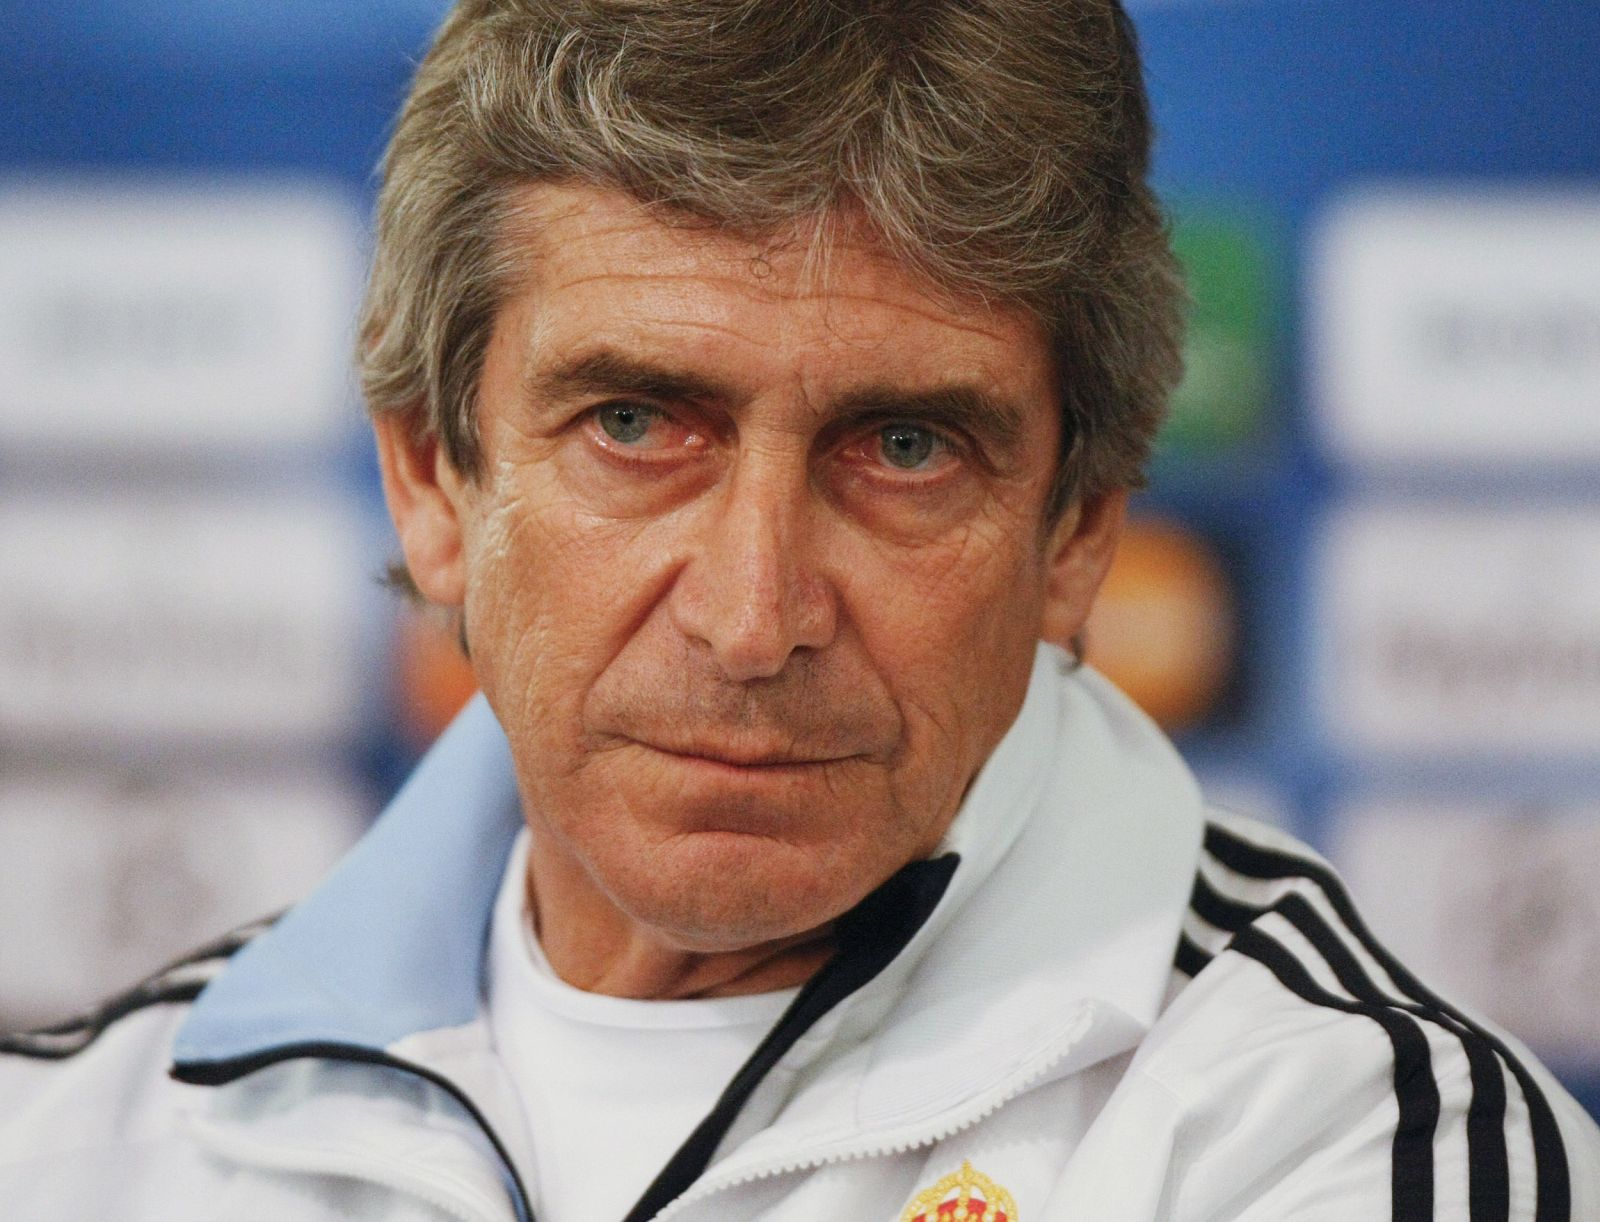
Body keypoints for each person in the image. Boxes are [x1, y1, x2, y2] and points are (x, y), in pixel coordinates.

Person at [3, 0, 1597, 1218]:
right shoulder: (80, 1142)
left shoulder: (1350, 1138)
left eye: (903, 448)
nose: (755, 616)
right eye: (637, 423)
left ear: (1078, 531)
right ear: (433, 480)